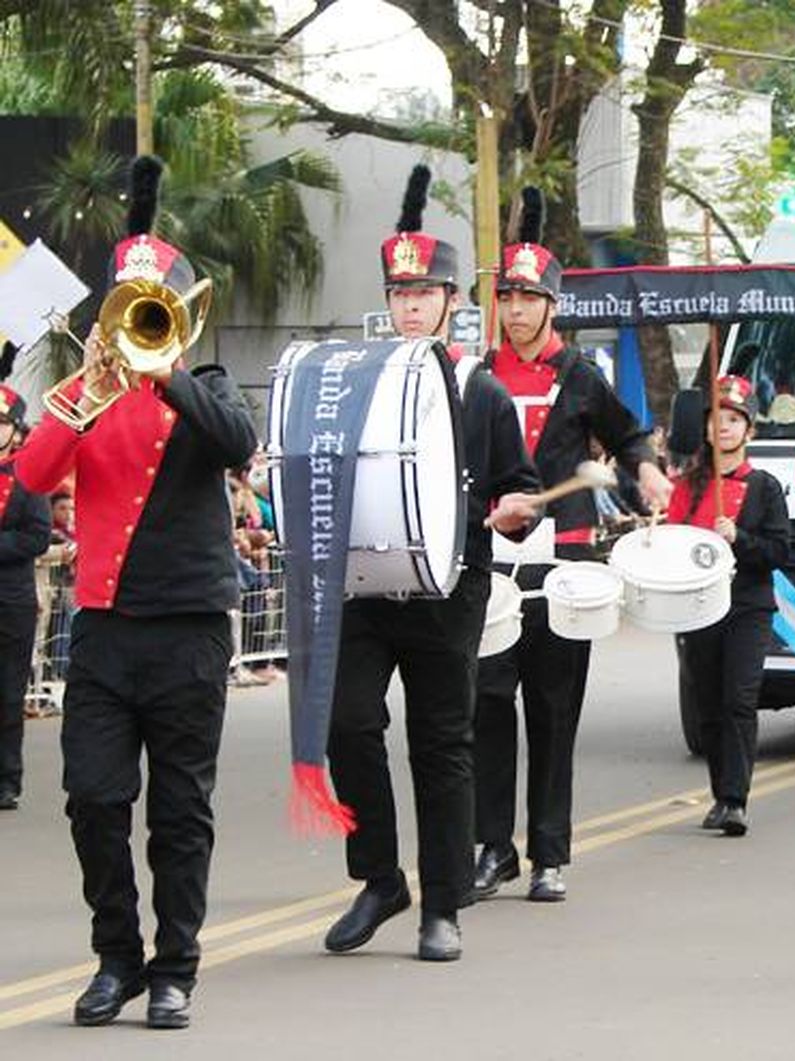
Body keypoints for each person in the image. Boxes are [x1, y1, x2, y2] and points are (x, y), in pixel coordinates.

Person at [15, 156, 258, 1029]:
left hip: (189, 628)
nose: (132, 326)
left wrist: (163, 374)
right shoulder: (87, 393)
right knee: (93, 798)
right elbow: (34, 476)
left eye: (148, 311)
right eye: (124, 310)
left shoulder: (205, 389)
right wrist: (83, 388)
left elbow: (236, 441)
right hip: (109, 633)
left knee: (181, 808)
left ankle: (175, 966)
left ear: (178, 314)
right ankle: (116, 954)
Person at [322, 165, 540, 963]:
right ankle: (380, 876)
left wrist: (521, 509)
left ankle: (441, 905)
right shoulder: (354, 384)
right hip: (369, 584)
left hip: (451, 587)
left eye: (424, 294)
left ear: (451, 301)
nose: (410, 305)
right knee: (346, 722)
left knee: (442, 743)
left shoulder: (482, 394)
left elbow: (520, 487)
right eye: (399, 294)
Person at [472, 187, 672, 903]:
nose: (517, 310)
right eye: (509, 298)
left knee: (554, 709)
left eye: (530, 298)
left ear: (553, 304)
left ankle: (548, 852)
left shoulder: (582, 375)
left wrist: (646, 467)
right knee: (487, 702)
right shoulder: (477, 375)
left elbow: (627, 434)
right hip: (493, 560)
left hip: (567, 559)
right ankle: (491, 845)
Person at [669, 376, 790, 836]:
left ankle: (736, 800)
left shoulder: (764, 487)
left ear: (749, 431)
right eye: (716, 420)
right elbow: (672, 546)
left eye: (734, 420)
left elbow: (779, 552)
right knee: (709, 705)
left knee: (740, 699)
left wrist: (739, 538)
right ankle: (720, 793)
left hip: (748, 606)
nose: (723, 427)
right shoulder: (690, 486)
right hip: (699, 610)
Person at [0, 388, 52, 810]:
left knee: (7, 691)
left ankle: (6, 778)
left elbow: (36, 536)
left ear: (14, 430)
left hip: (9, 600)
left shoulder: (28, 474)